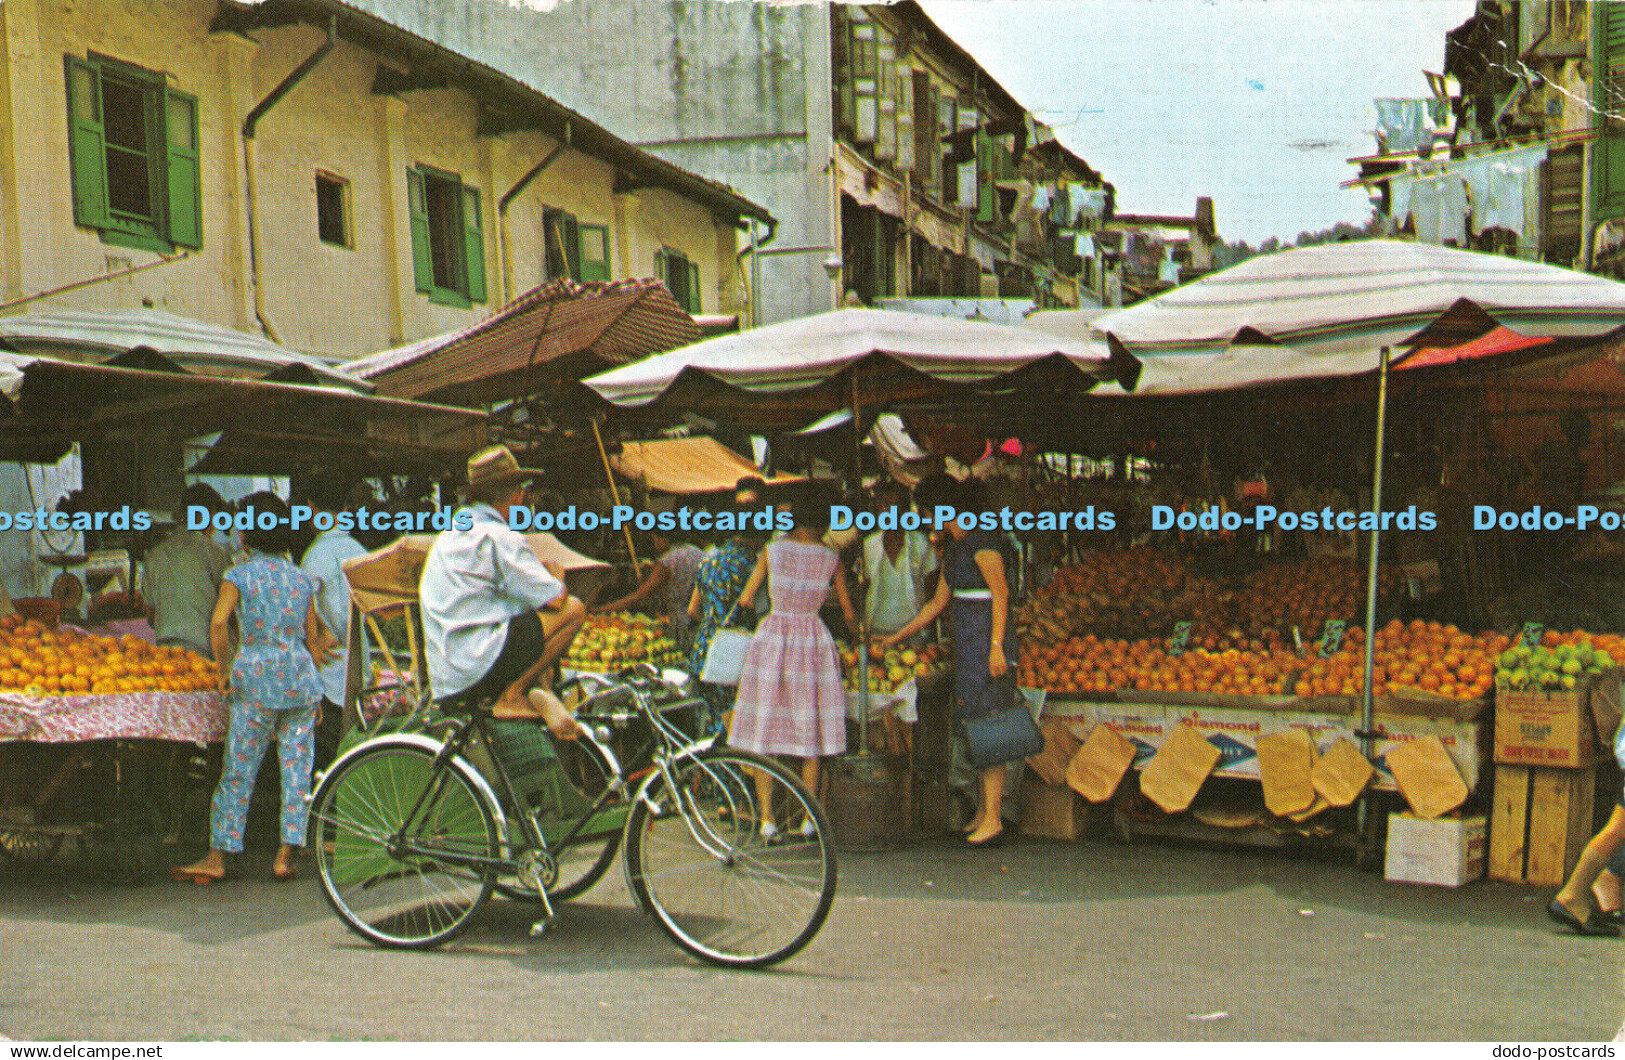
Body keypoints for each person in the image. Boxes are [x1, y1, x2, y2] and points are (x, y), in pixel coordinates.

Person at [171, 492, 336, 884]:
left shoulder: (238, 575)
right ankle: (285, 855)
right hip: (299, 680)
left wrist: (224, 669)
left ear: (245, 534)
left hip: (255, 680)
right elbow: (312, 640)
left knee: (239, 770)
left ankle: (218, 856)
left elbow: (217, 625)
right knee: (297, 769)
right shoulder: (301, 579)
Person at [877, 475, 1019, 848]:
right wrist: (894, 638)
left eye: (926, 512)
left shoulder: (983, 542)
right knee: (975, 726)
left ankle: (994, 818)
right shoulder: (956, 550)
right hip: (968, 648)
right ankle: (983, 812)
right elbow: (936, 604)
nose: (925, 520)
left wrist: (996, 648)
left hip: (987, 646)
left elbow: (1001, 596)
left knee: (993, 727)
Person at [419, 444, 586, 738]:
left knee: (527, 618)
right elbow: (556, 599)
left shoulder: (453, 533)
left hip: (448, 673)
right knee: (574, 609)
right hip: (475, 665)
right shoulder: (499, 536)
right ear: (517, 495)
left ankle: (534, 690)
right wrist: (556, 574)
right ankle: (513, 694)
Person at [728, 484, 858, 835]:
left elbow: (746, 598)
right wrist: (857, 632)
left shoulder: (772, 550)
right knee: (810, 730)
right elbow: (847, 613)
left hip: (772, 640)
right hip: (813, 641)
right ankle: (807, 820)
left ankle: (768, 819)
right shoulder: (832, 559)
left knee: (764, 727)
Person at [296, 475, 369, 766]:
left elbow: (302, 608)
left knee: (327, 763)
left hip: (326, 677)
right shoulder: (361, 553)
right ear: (346, 508)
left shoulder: (314, 557)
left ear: (312, 508)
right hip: (359, 674)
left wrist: (319, 633)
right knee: (353, 759)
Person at [686, 501, 763, 736]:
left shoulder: (708, 560)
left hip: (704, 649)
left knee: (707, 727)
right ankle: (730, 772)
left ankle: (707, 771)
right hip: (737, 653)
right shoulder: (754, 564)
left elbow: (692, 611)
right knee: (735, 728)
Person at [142, 483, 233, 657]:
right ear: (206, 514)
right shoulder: (215, 552)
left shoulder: (155, 555)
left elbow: (151, 616)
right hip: (206, 650)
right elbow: (230, 612)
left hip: (166, 650)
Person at [592, 529, 703, 653]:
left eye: (654, 539)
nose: (654, 544)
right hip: (700, 621)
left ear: (663, 538)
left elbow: (639, 596)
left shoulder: (668, 561)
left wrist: (600, 611)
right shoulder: (696, 551)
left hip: (681, 626)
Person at [861, 481, 937, 641]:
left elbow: (932, 595)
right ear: (877, 509)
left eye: (897, 505)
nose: (891, 512)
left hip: (914, 634)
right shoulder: (869, 545)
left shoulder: (922, 543)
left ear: (907, 510)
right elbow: (866, 588)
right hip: (877, 631)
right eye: (885, 505)